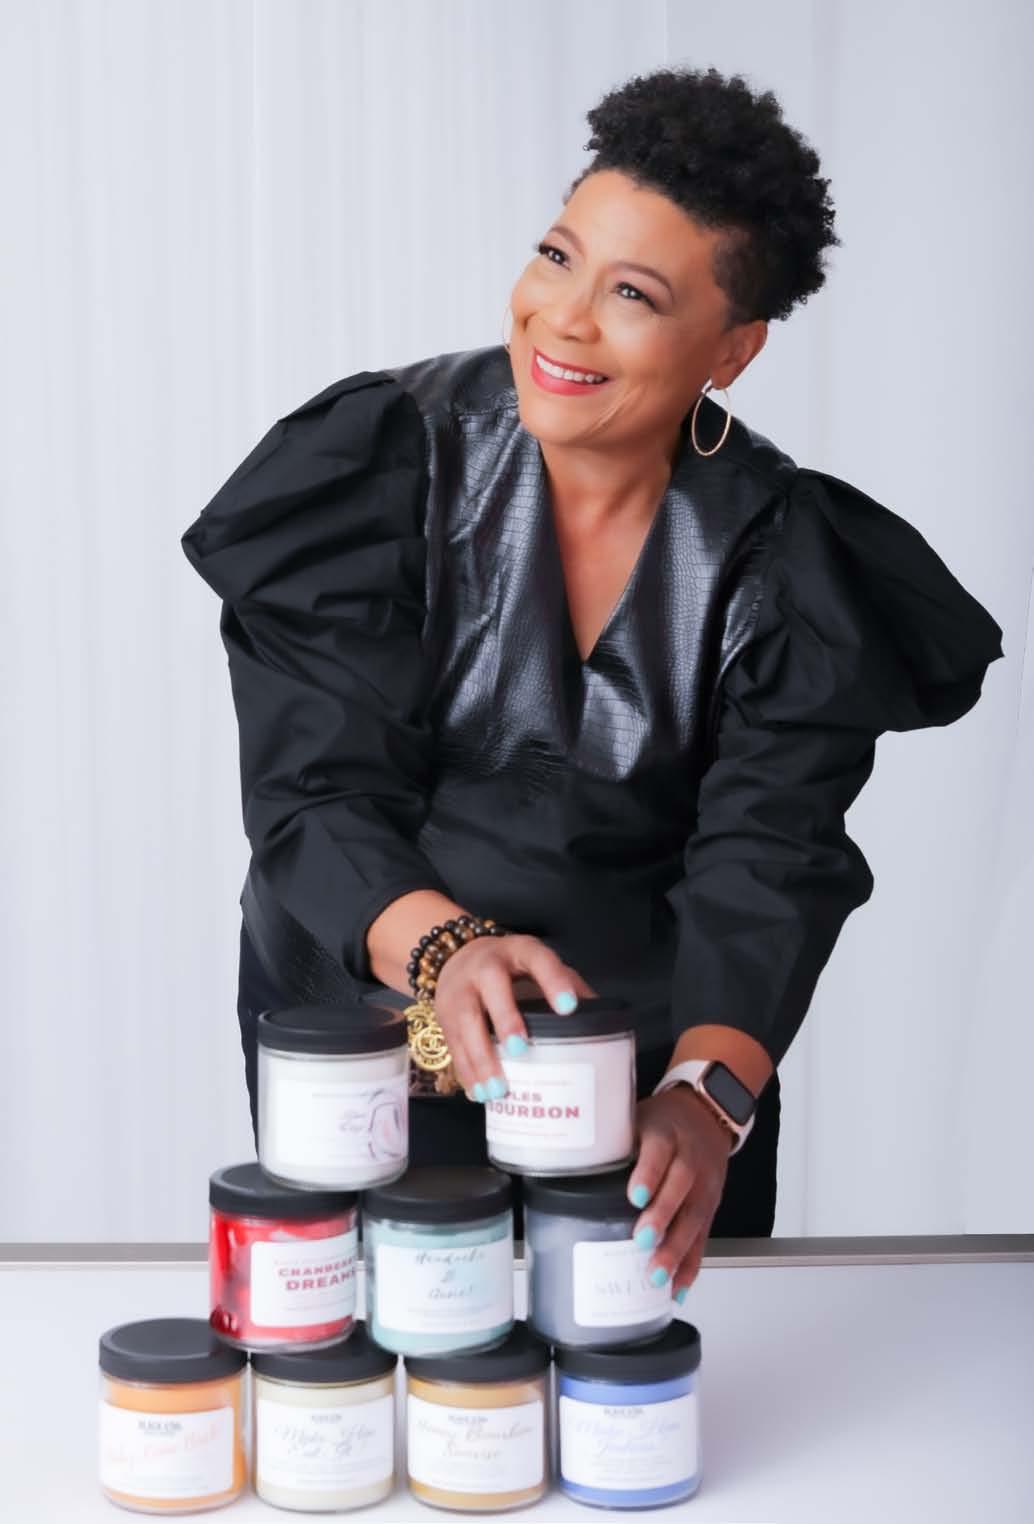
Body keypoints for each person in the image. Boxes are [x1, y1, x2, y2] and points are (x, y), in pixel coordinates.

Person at [180, 65, 1004, 1299]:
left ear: (731, 350)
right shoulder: (383, 466)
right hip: (370, 1037)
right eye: (556, 257)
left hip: (643, 1074)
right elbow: (314, 790)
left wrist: (708, 1097)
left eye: (631, 294)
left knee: (645, 1380)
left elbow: (769, 856)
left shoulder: (785, 560)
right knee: (378, 1361)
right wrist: (447, 950)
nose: (561, 319)